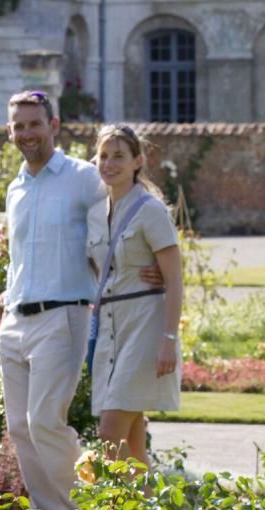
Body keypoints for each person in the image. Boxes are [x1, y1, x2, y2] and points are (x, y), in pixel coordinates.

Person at [0, 91, 160, 510]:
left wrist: (153, 264)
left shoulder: (83, 176)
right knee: (19, 428)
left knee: (45, 421)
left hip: (62, 316)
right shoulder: (15, 187)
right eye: (19, 126)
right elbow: (17, 255)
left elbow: (127, 211)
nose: (27, 133)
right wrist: (7, 295)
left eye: (35, 124)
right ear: (10, 132)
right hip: (13, 321)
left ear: (54, 126)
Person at [87, 123, 182, 467]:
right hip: (110, 329)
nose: (109, 164)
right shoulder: (94, 215)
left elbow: (175, 279)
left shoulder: (151, 211)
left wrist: (168, 339)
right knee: (133, 444)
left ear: (137, 161)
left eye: (119, 156)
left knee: (109, 435)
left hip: (145, 326)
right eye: (103, 156)